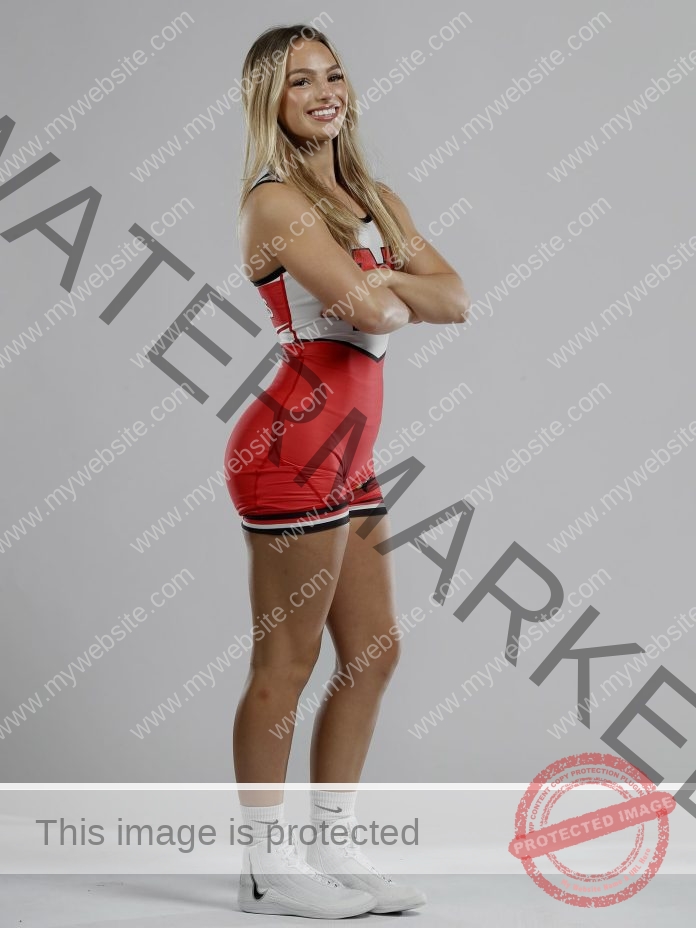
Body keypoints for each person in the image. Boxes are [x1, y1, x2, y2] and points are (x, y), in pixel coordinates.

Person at [225, 22, 470, 919]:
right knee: (284, 663)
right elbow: (388, 308)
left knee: (373, 650)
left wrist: (390, 287)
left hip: (350, 457)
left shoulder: (373, 193)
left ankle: (330, 844)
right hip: (288, 451)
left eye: (333, 75)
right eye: (300, 83)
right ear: (269, 102)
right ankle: (263, 865)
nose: (325, 92)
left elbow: (456, 300)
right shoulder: (274, 203)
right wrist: (392, 283)